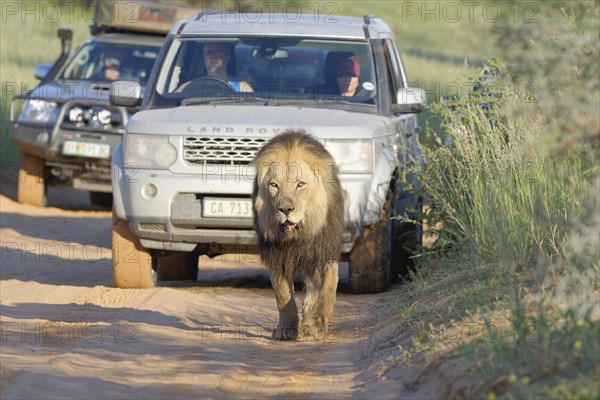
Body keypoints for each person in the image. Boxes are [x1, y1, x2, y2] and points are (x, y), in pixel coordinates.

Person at [176, 43, 253, 93]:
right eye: (208, 53)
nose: (213, 56)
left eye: (218, 52)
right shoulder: (188, 87)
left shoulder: (242, 88)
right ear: (204, 58)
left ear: (227, 58)